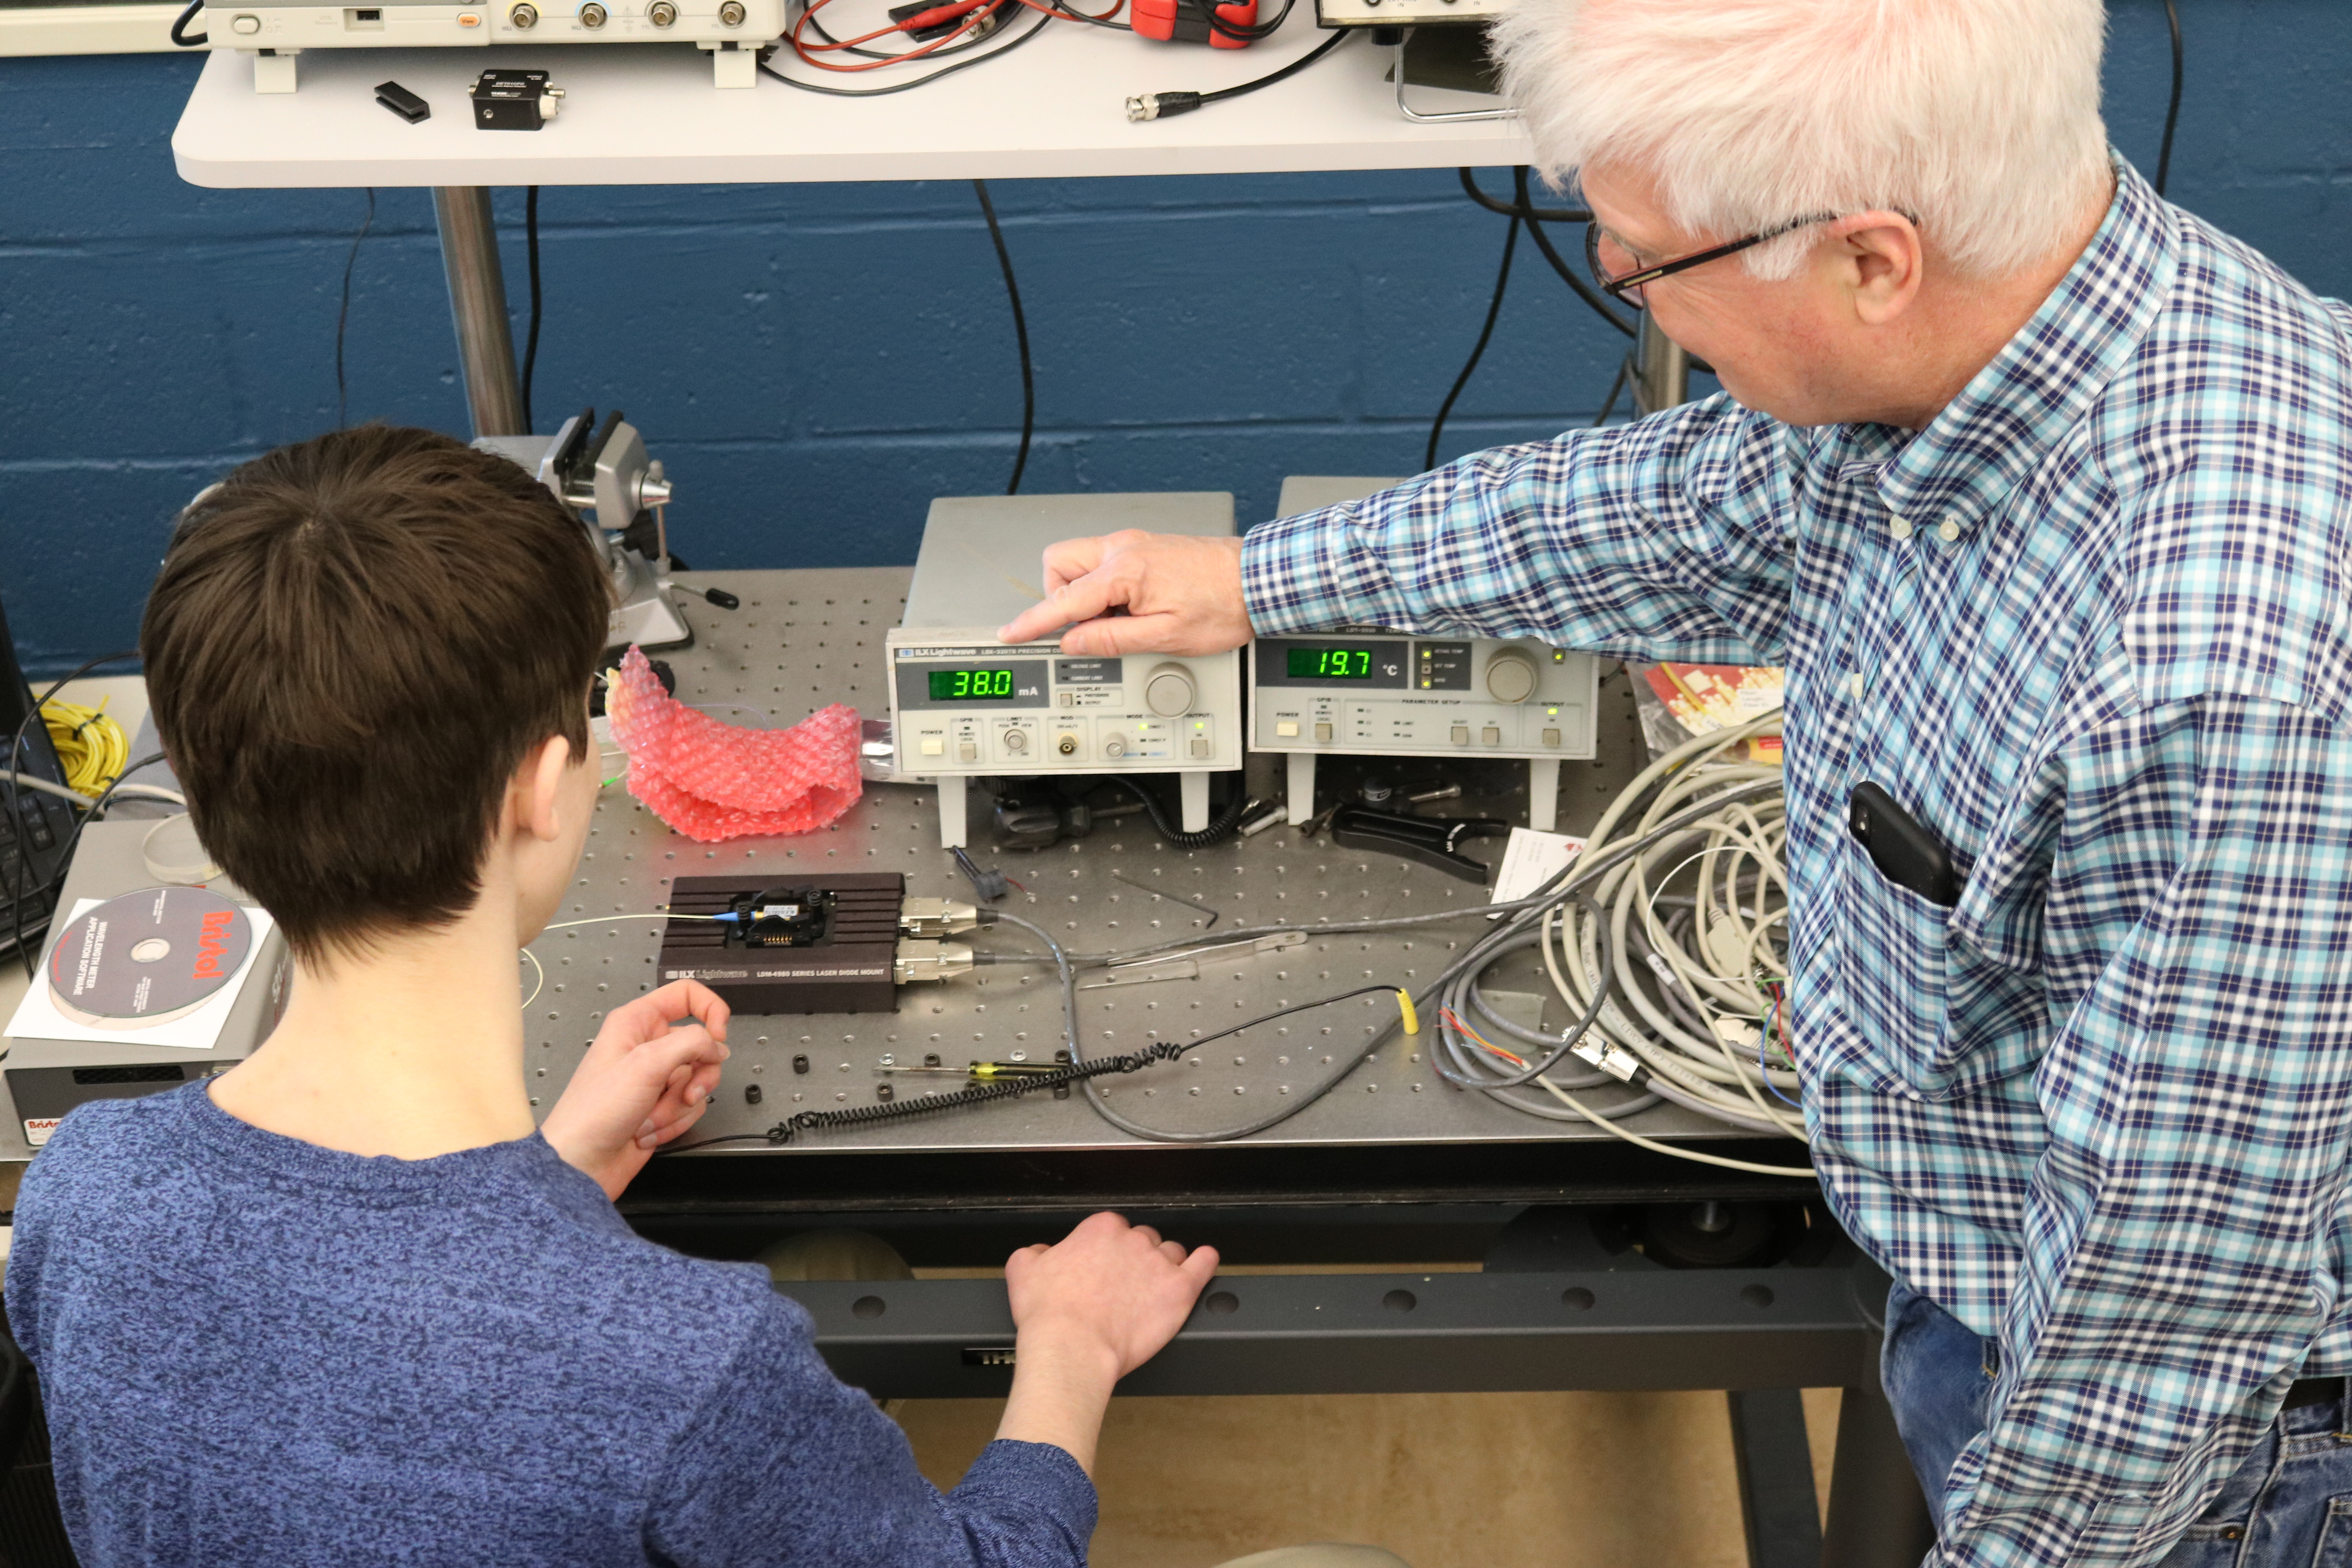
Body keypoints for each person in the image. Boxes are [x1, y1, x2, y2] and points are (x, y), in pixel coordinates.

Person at [1000, 2, 2352, 1564]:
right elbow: (1694, 505)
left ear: (1870, 258)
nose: (1630, 288)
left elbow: (2155, 1321)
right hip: (1984, 1245)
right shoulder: (2027, 317)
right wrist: (1251, 580)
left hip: (2191, 1451)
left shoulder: (2229, 685)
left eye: (1642, 264)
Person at [4, 426, 1236, 1567]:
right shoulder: (680, 1364)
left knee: (844, 1260)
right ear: (547, 791)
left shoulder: (90, 1191)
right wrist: (1073, 1347)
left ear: (213, 817)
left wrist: (550, 1178)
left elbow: (341, 1405)